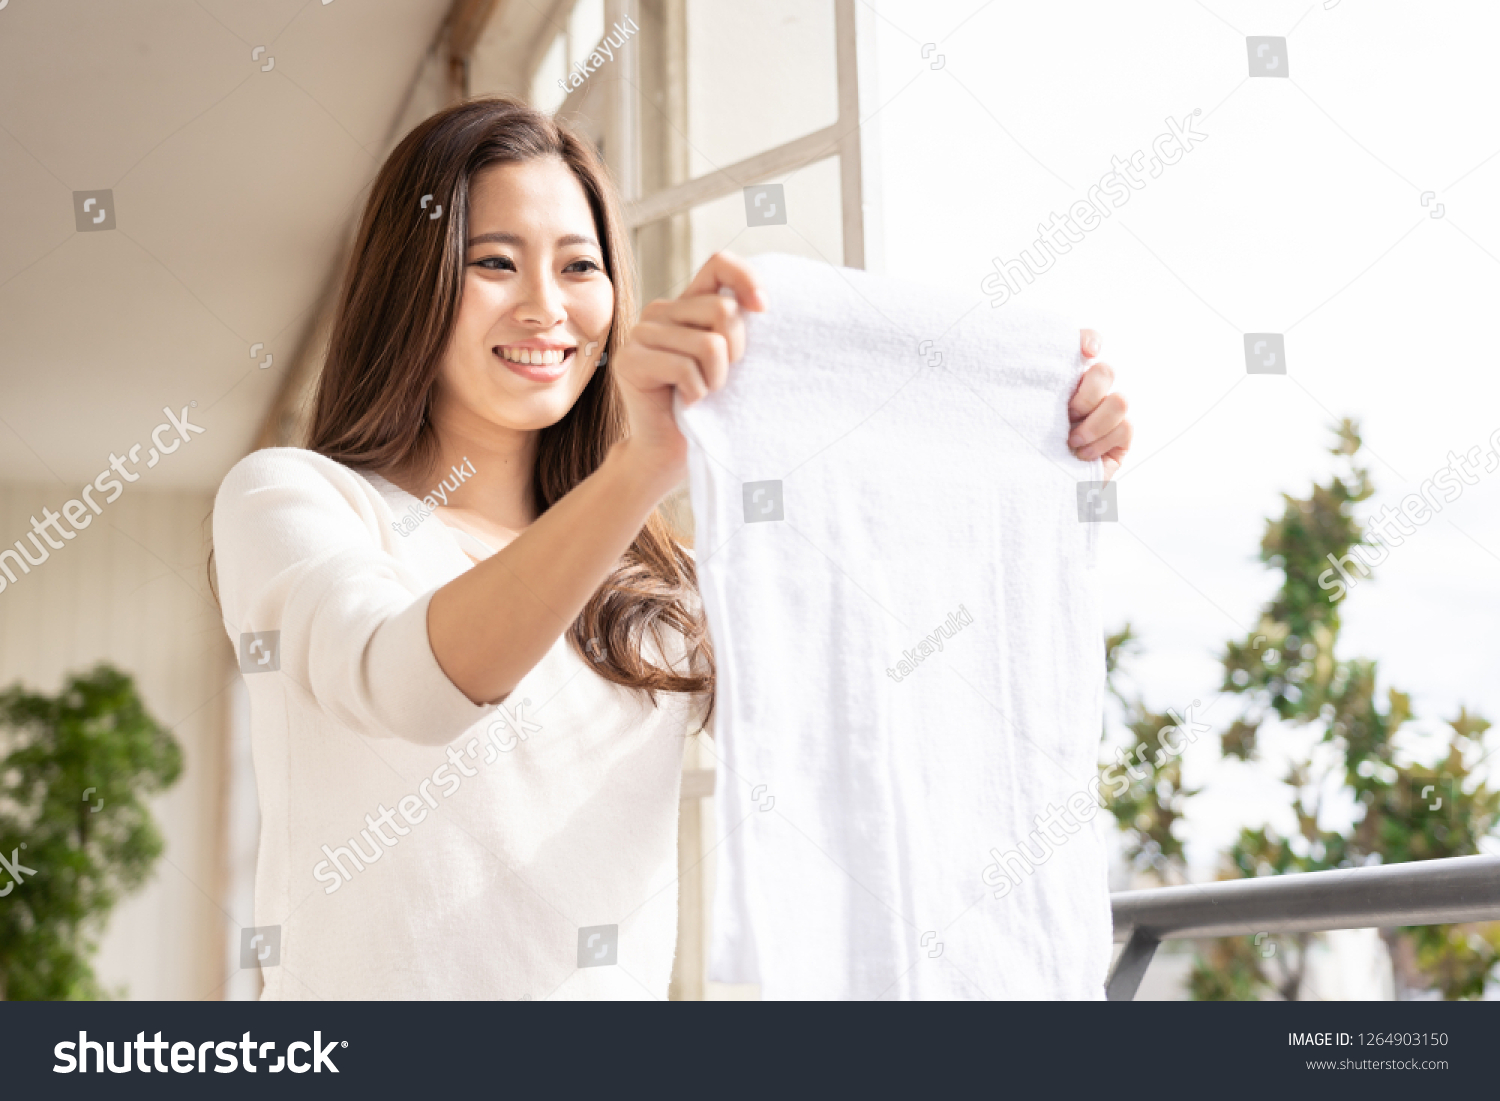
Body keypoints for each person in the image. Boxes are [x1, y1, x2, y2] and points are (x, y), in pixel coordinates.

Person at [212, 95, 1132, 999]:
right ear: (412, 282)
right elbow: (408, 682)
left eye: (580, 267)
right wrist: (642, 466)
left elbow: (889, 710)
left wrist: (1042, 471)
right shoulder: (296, 497)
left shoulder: (662, 584)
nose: (546, 307)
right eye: (494, 261)